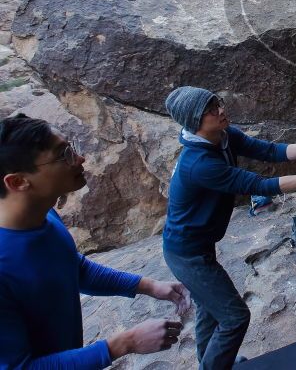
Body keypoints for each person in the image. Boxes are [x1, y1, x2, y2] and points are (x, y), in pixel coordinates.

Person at [161, 86, 296, 369]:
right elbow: (259, 186)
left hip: (197, 246)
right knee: (234, 317)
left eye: (218, 102)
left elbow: (269, 151)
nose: (221, 110)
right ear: (195, 121)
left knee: (209, 308)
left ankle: (213, 362)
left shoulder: (222, 136)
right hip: (186, 254)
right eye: (211, 110)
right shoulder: (199, 164)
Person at [0, 113, 191, 369]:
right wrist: (124, 343)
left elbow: (71, 266)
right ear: (19, 181)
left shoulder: (44, 214)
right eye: (63, 154)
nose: (80, 159)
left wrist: (148, 286)